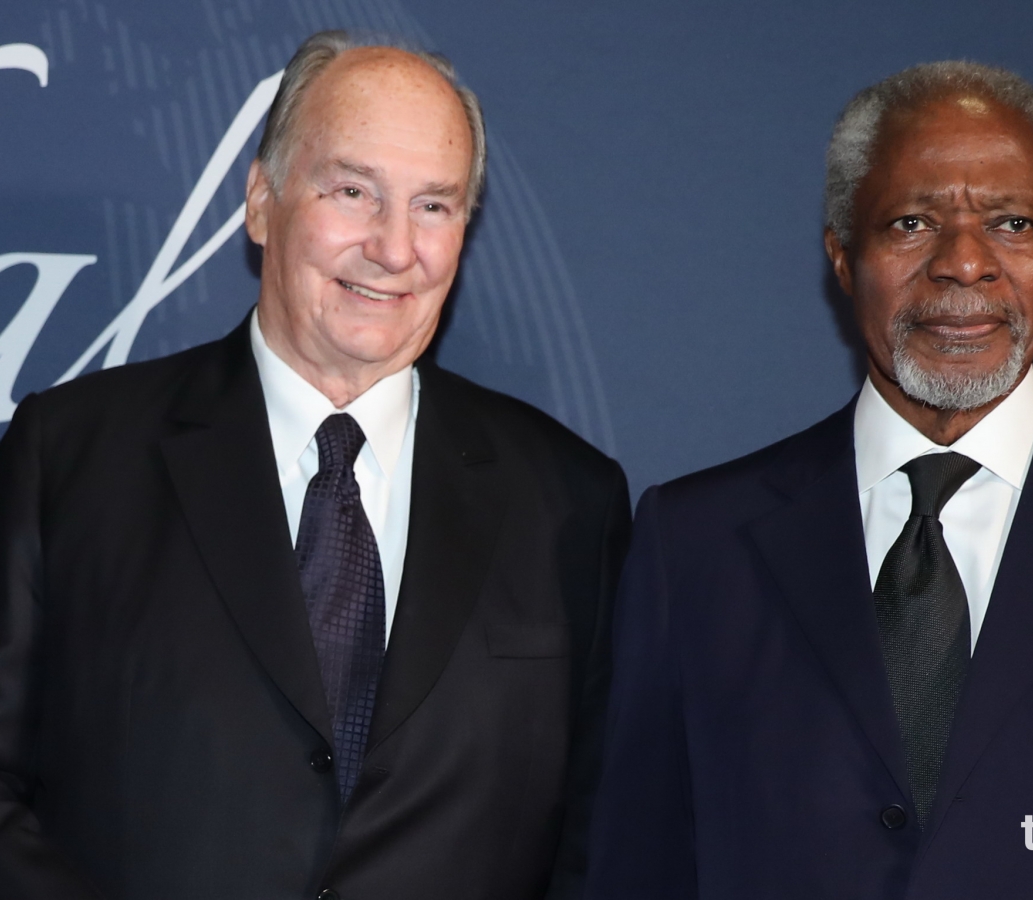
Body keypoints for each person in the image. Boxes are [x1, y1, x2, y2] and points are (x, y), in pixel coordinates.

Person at [585, 61, 1033, 898]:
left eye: (1013, 223)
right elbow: (638, 861)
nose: (964, 263)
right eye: (912, 222)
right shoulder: (692, 541)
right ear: (843, 257)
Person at [0, 30, 629, 900]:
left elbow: (603, 832)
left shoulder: (571, 501)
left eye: (435, 206)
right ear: (262, 201)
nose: (394, 247)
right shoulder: (68, 455)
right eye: (352, 191)